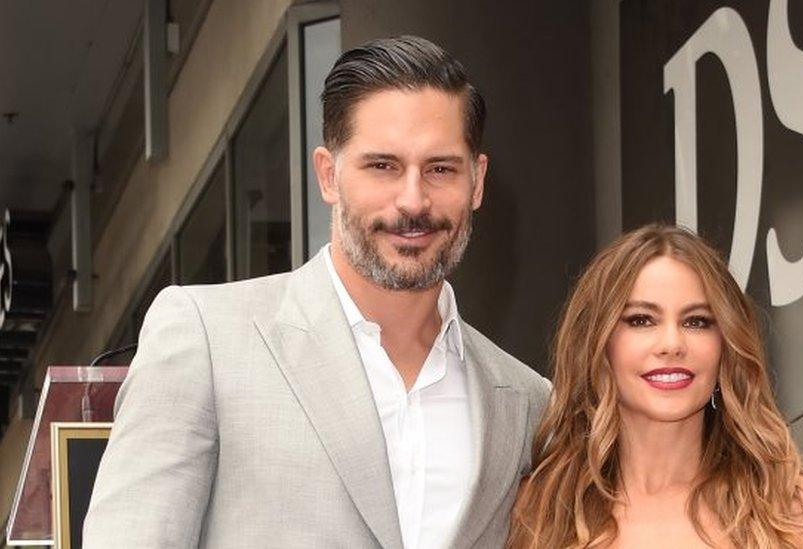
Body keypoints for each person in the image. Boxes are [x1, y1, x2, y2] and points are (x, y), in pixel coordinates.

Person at [84, 36, 549, 549]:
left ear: (477, 182)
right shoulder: (208, 338)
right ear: (329, 175)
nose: (413, 201)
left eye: (440, 169)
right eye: (382, 166)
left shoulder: (528, 401)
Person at [507, 225, 803, 548]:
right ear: (598, 344)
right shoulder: (538, 512)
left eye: (697, 322)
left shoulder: (793, 512)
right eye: (641, 320)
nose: (672, 343)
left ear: (725, 346)